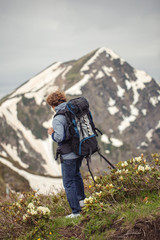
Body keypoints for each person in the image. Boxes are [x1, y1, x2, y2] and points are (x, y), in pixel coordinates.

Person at [46, 90, 86, 218]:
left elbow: (60, 137)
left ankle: (76, 212)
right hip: (79, 150)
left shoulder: (58, 118)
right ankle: (82, 200)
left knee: (68, 182)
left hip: (68, 155)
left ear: (52, 105)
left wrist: (52, 133)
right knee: (77, 174)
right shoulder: (73, 110)